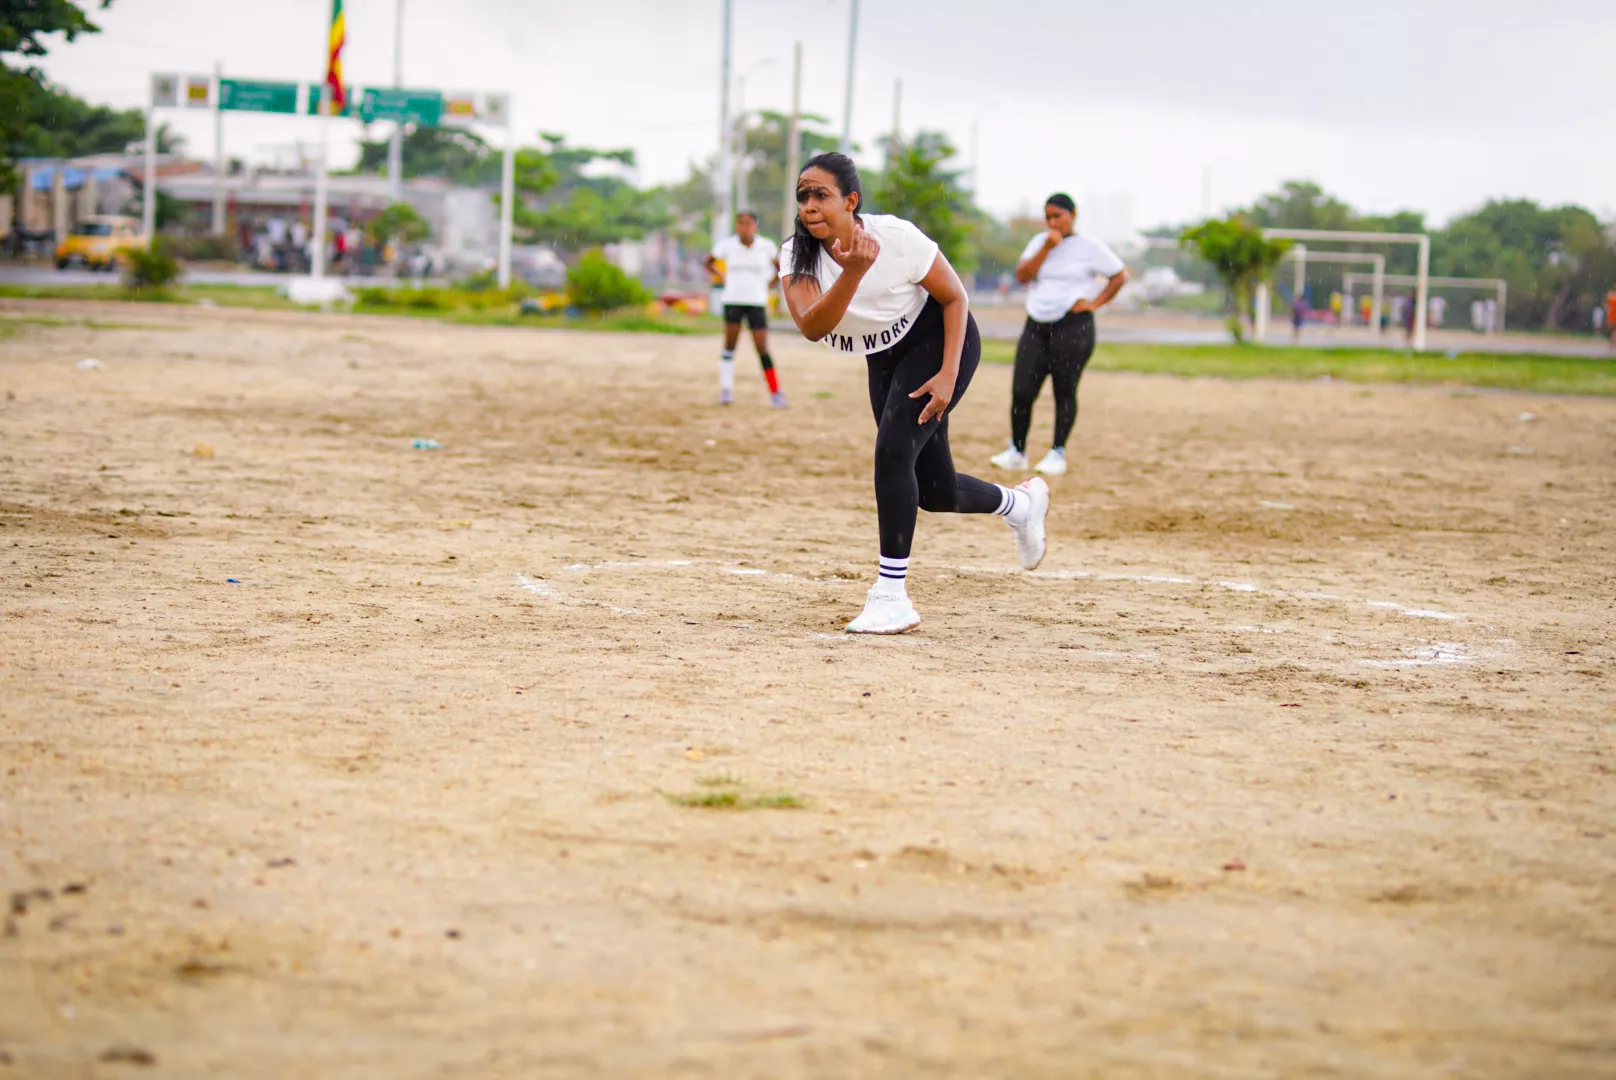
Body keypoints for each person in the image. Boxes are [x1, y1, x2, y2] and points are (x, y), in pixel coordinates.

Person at [780, 152, 1050, 635]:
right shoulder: (796, 254)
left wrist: (948, 374)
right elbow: (811, 326)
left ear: (851, 201)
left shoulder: (896, 238)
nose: (809, 205)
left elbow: (955, 298)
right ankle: (1021, 505)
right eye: (803, 196)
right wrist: (852, 273)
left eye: (821, 194)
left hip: (939, 342)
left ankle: (891, 596)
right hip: (882, 356)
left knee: (891, 453)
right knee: (935, 490)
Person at [989, 194, 1128, 476]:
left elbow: (1120, 276)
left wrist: (1095, 303)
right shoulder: (1039, 243)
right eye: (1048, 217)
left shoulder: (1089, 247)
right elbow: (1022, 276)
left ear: (1072, 215)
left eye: (1058, 216)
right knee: (1022, 391)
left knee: (1064, 390)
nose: (1053, 222)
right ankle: (1017, 450)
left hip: (1073, 325)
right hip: (1036, 325)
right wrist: (1046, 249)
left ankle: (1057, 452)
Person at [703, 211, 786, 407]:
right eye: (741, 223)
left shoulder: (765, 246)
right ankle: (726, 390)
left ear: (755, 227)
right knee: (730, 344)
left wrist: (771, 283)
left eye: (748, 224)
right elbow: (708, 262)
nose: (744, 227)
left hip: (756, 301)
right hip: (733, 300)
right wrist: (721, 277)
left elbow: (781, 267)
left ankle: (775, 393)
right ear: (736, 226)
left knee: (762, 347)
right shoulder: (728, 245)